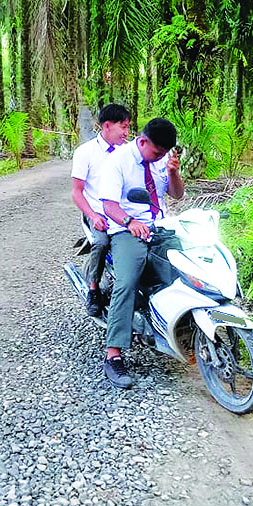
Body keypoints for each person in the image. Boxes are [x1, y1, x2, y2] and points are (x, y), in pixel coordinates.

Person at [98, 117, 184, 388]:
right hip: (126, 229)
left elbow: (177, 195)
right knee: (126, 281)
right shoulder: (118, 161)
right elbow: (109, 205)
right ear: (143, 141)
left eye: (164, 154)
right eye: (157, 153)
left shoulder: (161, 160)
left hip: (160, 226)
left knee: (187, 270)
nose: (160, 158)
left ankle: (177, 329)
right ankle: (113, 354)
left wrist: (172, 172)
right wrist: (130, 222)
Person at [70, 104, 131, 316]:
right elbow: (77, 192)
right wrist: (93, 215)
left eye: (128, 127)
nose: (126, 132)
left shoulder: (129, 151)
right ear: (107, 126)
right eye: (123, 127)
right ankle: (94, 290)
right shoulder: (85, 153)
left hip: (124, 214)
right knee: (102, 242)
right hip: (98, 214)